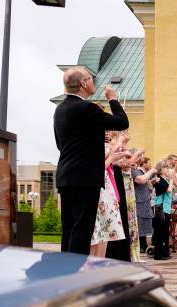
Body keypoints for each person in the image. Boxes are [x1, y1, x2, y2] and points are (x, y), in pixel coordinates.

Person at [54, 67, 129, 255]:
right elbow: (122, 122)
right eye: (90, 78)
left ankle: (66, 267)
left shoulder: (60, 109)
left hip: (66, 175)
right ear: (83, 83)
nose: (93, 81)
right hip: (85, 178)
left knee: (69, 228)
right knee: (82, 229)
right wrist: (112, 99)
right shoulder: (87, 108)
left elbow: (60, 144)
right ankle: (77, 270)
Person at [90, 141, 126, 257]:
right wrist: (111, 157)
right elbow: (97, 170)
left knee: (105, 232)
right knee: (96, 232)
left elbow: (121, 159)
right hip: (99, 190)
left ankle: (99, 262)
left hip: (107, 191)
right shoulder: (96, 146)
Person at [132, 156, 157, 253]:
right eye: (149, 163)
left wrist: (151, 183)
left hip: (145, 200)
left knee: (145, 222)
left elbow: (148, 188)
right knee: (139, 222)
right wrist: (151, 171)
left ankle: (144, 245)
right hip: (139, 200)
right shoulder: (136, 171)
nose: (150, 165)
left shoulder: (143, 173)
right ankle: (141, 246)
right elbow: (140, 181)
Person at [152, 161, 173, 260]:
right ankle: (159, 254)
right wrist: (172, 180)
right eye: (166, 168)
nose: (168, 170)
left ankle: (165, 252)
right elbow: (169, 190)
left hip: (166, 208)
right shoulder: (159, 180)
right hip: (161, 207)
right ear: (161, 169)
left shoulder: (164, 179)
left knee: (165, 231)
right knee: (160, 232)